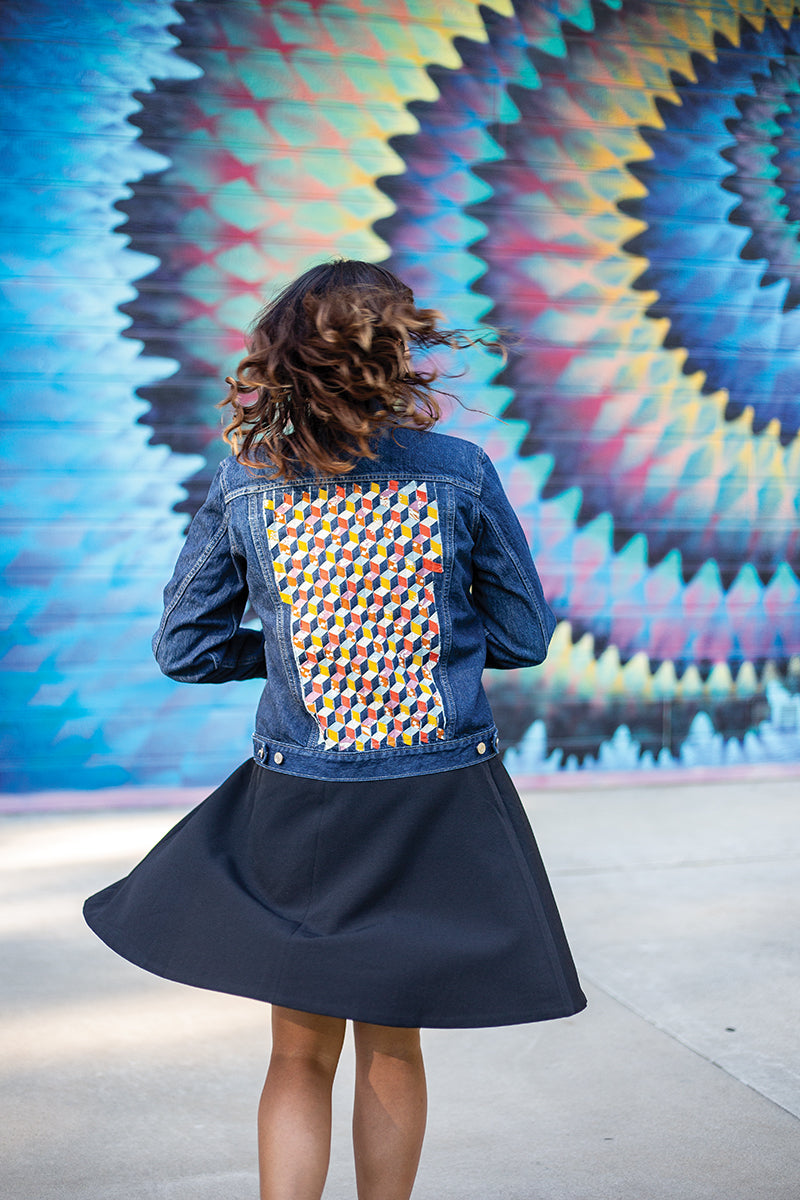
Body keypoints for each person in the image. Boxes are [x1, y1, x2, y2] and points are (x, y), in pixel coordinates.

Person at [84, 258, 586, 1200]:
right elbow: (523, 636)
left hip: (303, 800)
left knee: (297, 1053)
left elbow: (185, 648)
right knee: (393, 1047)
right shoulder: (459, 472)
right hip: (434, 797)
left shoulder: (248, 481)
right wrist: (417, 641)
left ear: (284, 355)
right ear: (399, 354)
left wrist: (299, 652)